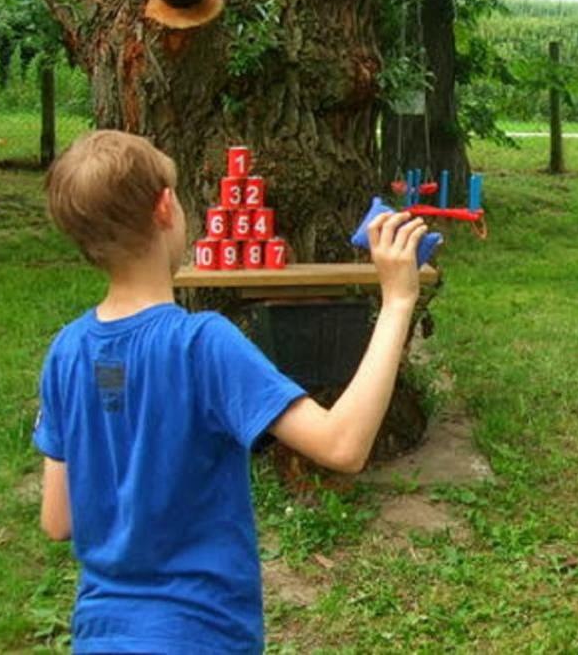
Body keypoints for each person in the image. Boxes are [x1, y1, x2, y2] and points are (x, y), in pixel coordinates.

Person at [34, 130, 427, 653]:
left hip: (100, 636)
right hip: (200, 635)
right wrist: (398, 300)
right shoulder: (202, 345)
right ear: (166, 207)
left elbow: (58, 521)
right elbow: (342, 445)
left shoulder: (66, 352)